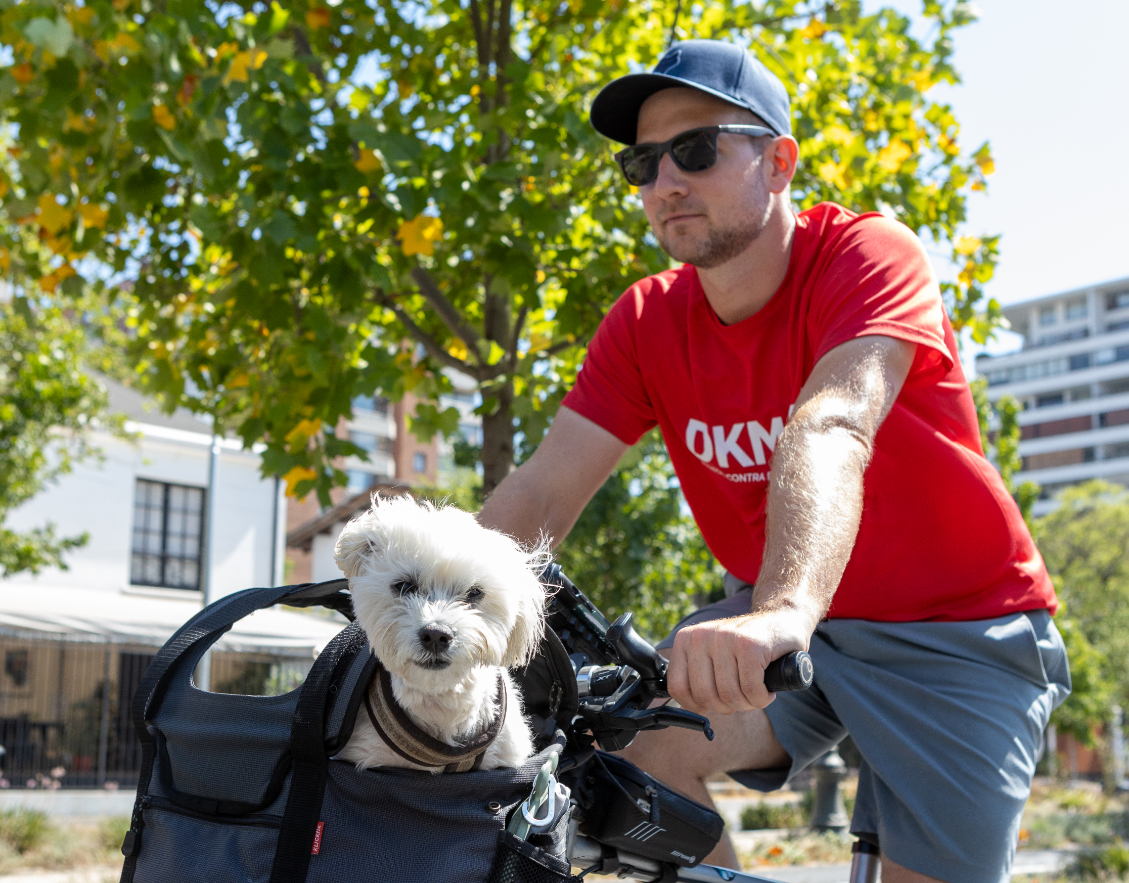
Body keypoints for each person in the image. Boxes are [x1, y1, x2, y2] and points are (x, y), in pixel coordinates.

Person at [477, 39, 1069, 883]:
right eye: (641, 164)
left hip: (955, 628)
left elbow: (829, 424)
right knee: (627, 750)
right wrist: (416, 602)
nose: (664, 182)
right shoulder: (646, 319)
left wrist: (781, 609)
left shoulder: (867, 256)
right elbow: (543, 485)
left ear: (779, 161)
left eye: (695, 149)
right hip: (795, 632)